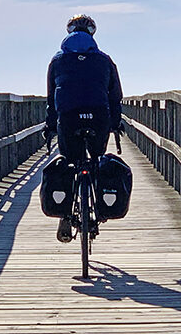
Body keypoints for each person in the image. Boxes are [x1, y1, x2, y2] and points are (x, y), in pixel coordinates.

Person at [44, 14, 124, 242]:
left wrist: (50, 127)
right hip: (99, 117)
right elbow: (115, 96)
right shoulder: (105, 60)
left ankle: (65, 215)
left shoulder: (57, 61)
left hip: (68, 118)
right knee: (97, 159)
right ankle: (98, 207)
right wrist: (115, 124)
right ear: (92, 34)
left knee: (69, 161)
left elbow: (52, 99)